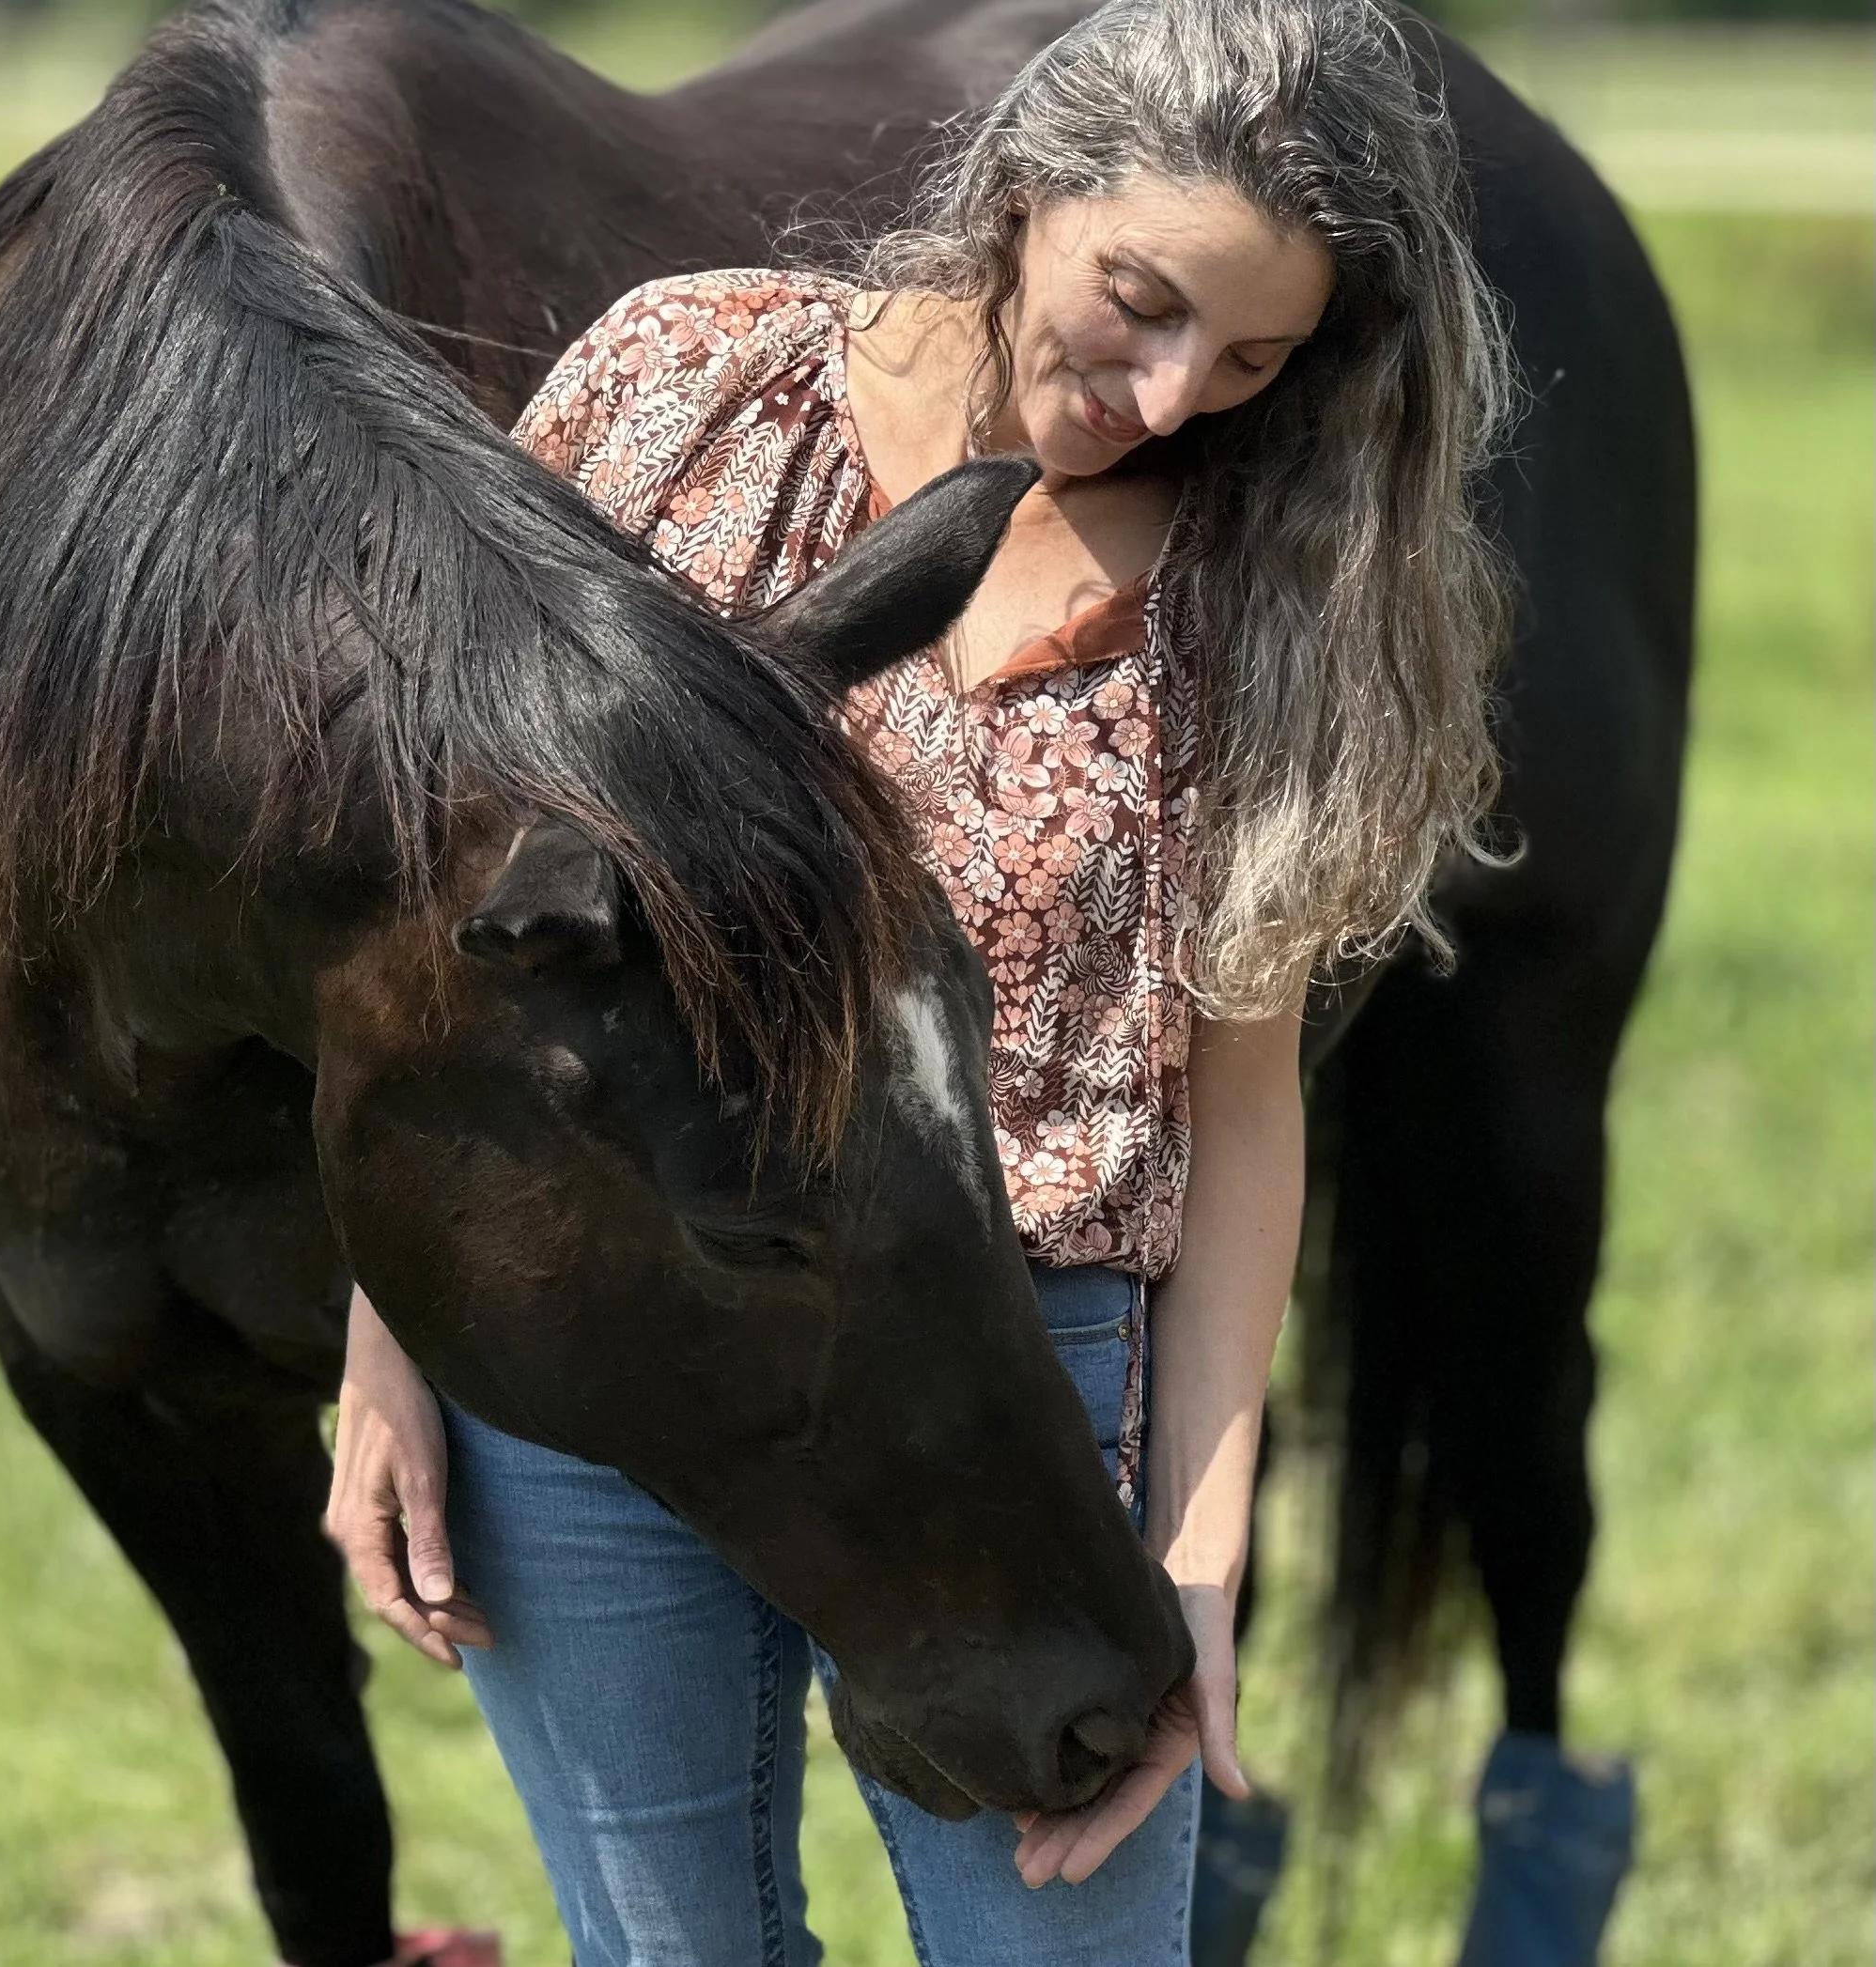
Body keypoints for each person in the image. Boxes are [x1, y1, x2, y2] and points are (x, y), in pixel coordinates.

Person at [324, 0, 1514, 1960]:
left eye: (1251, 357)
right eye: (1138, 301)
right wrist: (394, 1346)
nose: (1168, 393)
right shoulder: (671, 388)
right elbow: (451, 936)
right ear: (1030, 185)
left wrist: (1198, 1553)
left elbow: (1243, 1095)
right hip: (615, 1330)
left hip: (1021, 1373)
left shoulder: (1271, 591)